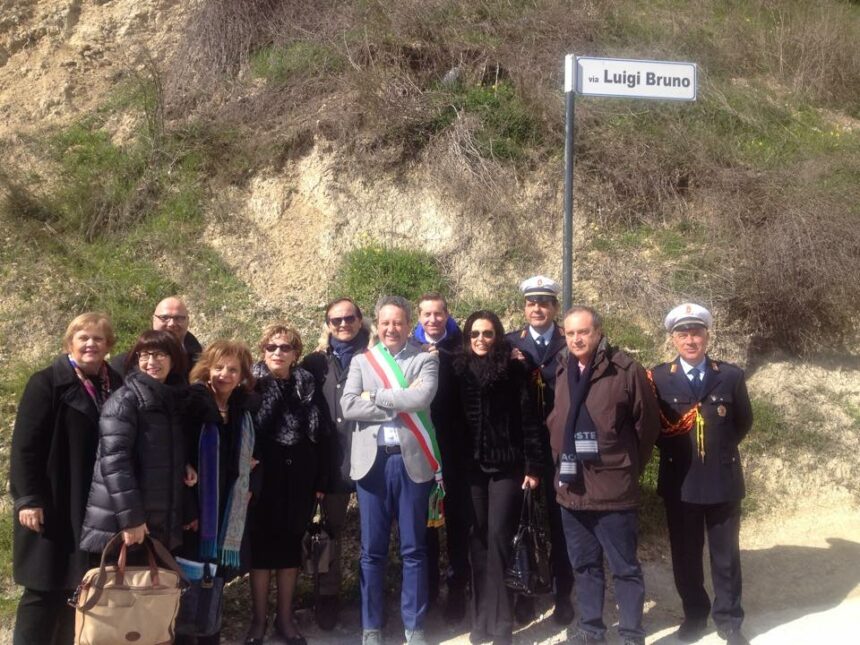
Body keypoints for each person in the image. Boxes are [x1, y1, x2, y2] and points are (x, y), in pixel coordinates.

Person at [547, 306, 661, 645]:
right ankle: (592, 629)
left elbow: (647, 426)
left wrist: (626, 467)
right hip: (572, 488)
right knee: (584, 565)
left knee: (624, 568)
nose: (576, 339)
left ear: (598, 332)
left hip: (613, 489)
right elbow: (558, 419)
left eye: (583, 332)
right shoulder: (562, 367)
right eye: (570, 333)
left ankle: (631, 633)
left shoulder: (625, 370)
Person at [10, 312, 122, 645]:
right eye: (83, 338)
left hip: (92, 502)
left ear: (108, 345)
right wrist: (28, 498)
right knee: (43, 589)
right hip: (54, 498)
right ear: (69, 342)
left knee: (79, 589)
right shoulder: (46, 383)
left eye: (98, 339)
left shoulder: (115, 384)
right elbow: (25, 447)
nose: (91, 344)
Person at [650, 303, 753, 645]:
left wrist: (718, 452)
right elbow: (654, 429)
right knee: (686, 557)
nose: (690, 340)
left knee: (726, 556)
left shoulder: (730, 376)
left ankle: (730, 621)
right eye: (683, 334)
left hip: (723, 481)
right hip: (680, 482)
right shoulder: (659, 378)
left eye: (696, 333)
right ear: (673, 339)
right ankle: (695, 615)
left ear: (707, 336)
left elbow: (742, 422)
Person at [341, 296, 441, 645]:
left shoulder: (425, 359)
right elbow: (348, 405)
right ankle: (371, 627)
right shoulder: (361, 361)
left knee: (414, 549)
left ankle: (414, 627)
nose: (391, 328)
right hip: (372, 465)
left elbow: (421, 399)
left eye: (398, 322)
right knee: (372, 551)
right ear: (377, 324)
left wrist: (374, 396)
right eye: (385, 322)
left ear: (409, 324)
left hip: (411, 461)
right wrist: (397, 400)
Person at [453, 310, 545, 645]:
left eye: (488, 333)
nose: (481, 339)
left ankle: (503, 623)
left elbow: (529, 419)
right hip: (471, 471)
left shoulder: (514, 369)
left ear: (498, 336)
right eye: (475, 334)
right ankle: (480, 620)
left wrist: (533, 467)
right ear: (467, 338)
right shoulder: (458, 370)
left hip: (507, 467)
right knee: (477, 542)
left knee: (499, 540)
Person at [246, 323, 327, 645]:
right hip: (262, 476)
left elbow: (320, 434)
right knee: (261, 550)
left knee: (290, 548)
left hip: (299, 475)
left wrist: (320, 480)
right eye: (271, 347)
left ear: (296, 353)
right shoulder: (250, 383)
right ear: (262, 350)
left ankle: (285, 619)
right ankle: (258, 621)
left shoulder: (307, 383)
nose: (278, 352)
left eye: (285, 347)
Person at [80, 330, 195, 554]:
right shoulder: (125, 401)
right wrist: (131, 520)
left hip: (156, 523)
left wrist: (185, 469)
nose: (151, 362)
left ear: (174, 360)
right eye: (144, 355)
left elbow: (164, 456)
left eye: (159, 355)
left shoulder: (171, 399)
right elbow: (115, 464)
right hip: (123, 525)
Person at [176, 340, 260, 645]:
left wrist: (250, 484)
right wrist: (189, 507)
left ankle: (211, 636)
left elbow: (257, 455)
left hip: (228, 507)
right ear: (206, 369)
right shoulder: (192, 405)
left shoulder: (243, 409)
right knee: (188, 584)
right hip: (197, 509)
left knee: (214, 585)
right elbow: (177, 454)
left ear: (242, 376)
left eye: (233, 370)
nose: (225, 374)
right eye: (219, 367)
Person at [506, 275, 574, 625]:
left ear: (555, 308)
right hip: (523, 449)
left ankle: (564, 594)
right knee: (525, 521)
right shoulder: (509, 343)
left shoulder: (570, 340)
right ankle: (526, 592)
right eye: (532, 303)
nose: (537, 309)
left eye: (544, 303)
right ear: (524, 308)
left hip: (561, 445)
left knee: (562, 522)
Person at [301, 297, 371, 630]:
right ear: (327, 324)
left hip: (371, 455)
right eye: (335, 320)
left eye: (349, 318)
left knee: (375, 532)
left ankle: (372, 598)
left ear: (360, 320)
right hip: (331, 459)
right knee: (330, 532)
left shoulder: (376, 355)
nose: (343, 325)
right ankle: (327, 598)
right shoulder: (315, 362)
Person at [411, 292, 470, 620]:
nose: (433, 319)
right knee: (425, 524)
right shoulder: (408, 348)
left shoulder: (462, 346)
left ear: (447, 315)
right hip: (421, 447)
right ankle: (429, 589)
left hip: (456, 449)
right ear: (418, 317)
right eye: (427, 314)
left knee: (459, 522)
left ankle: (457, 588)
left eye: (438, 314)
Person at [111, 296, 203, 379]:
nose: (171, 324)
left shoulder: (202, 362)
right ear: (153, 320)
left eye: (178, 318)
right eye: (164, 317)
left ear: (188, 321)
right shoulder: (123, 365)